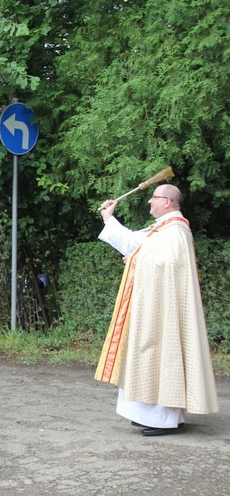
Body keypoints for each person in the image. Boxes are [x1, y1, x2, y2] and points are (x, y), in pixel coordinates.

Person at [95, 184, 219, 436]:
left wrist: (137, 259)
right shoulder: (163, 229)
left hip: (165, 311)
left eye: (154, 198)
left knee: (164, 353)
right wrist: (109, 218)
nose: (149, 202)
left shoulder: (175, 231)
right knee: (153, 354)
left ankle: (163, 419)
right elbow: (133, 244)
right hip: (156, 306)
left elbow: (160, 262)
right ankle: (158, 416)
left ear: (168, 202)